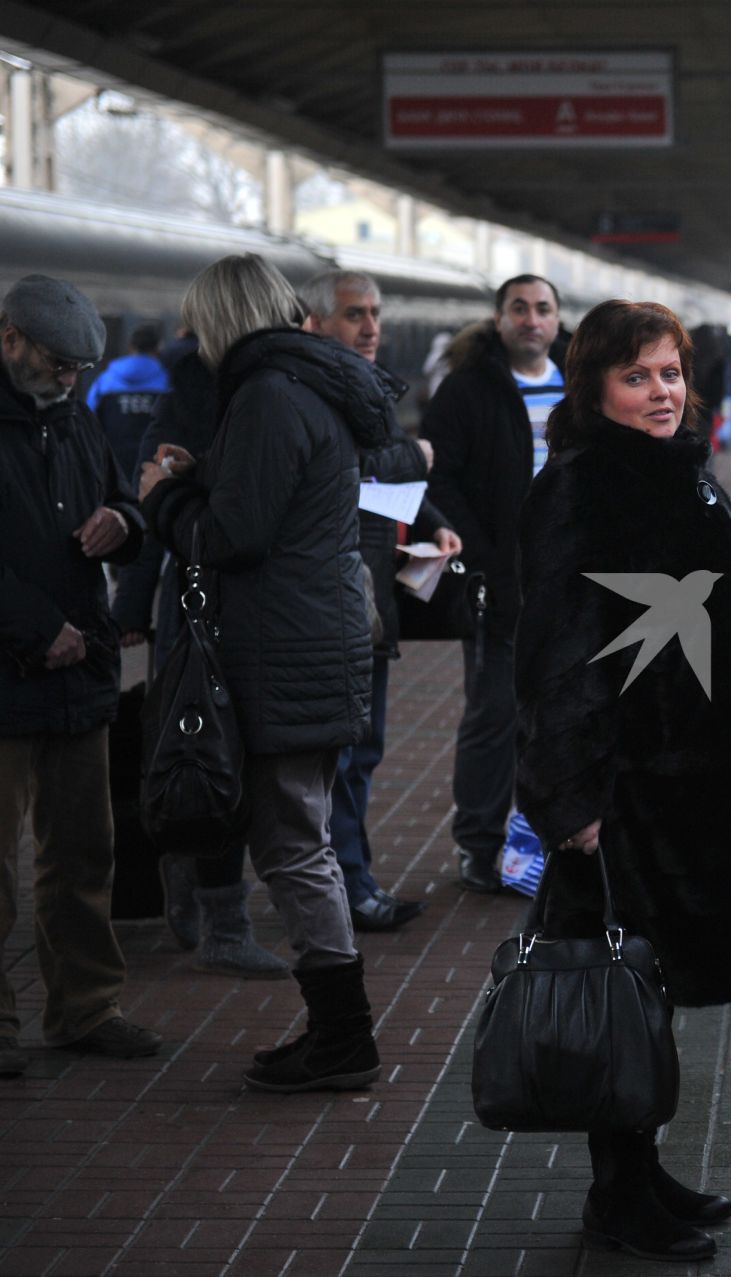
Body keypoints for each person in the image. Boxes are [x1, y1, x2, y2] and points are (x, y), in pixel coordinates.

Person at [514, 299, 731, 1261]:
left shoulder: (680, 475)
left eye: (672, 372)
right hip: (625, 792)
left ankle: (641, 1173)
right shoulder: (580, 489)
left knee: (652, 989)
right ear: (593, 387)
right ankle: (618, 1196)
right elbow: (557, 655)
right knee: (620, 990)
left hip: (687, 785)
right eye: (637, 376)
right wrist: (573, 803)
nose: (662, 391)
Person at [137, 252, 388, 1093]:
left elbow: (235, 535)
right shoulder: (297, 384)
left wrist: (161, 500)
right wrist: (200, 471)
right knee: (297, 838)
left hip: (287, 646)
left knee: (293, 846)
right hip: (308, 636)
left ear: (220, 318)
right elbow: (274, 496)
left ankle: (344, 1037)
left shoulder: (267, 395)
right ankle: (335, 1030)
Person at [0, 274, 163, 1078]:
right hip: (11, 670)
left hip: (78, 672)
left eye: (80, 368)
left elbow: (119, 507)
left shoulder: (74, 421)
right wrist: (37, 630)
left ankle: (84, 1006)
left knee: (83, 850)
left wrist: (125, 521)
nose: (71, 379)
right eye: (60, 363)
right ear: (11, 341)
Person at [112, 331, 290, 980]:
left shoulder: (277, 386)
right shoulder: (193, 386)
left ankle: (193, 878)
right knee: (204, 751)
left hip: (253, 606)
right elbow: (152, 495)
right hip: (196, 605)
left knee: (223, 755)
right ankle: (222, 917)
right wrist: (132, 607)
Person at [299, 269, 459, 932]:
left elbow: (376, 483)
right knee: (338, 755)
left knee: (362, 751)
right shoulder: (306, 393)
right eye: (353, 314)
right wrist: (412, 457)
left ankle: (348, 880)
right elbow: (353, 472)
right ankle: (344, 887)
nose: (370, 327)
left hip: (368, 599)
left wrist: (429, 524)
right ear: (314, 323)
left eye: (375, 313)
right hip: (332, 603)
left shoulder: (364, 389)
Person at [422, 275, 564, 894]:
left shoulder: (581, 384)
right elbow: (440, 478)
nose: (531, 320)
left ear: (558, 320)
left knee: (562, 713)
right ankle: (480, 844)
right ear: (499, 319)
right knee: (495, 714)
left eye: (543, 309)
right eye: (519, 309)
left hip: (570, 579)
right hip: (500, 581)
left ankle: (551, 835)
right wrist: (481, 553)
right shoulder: (468, 390)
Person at [86, 323, 169, 481]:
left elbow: (89, 419)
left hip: (113, 464)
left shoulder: (106, 380)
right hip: (152, 466)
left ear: (131, 347)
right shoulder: (166, 381)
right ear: (157, 348)